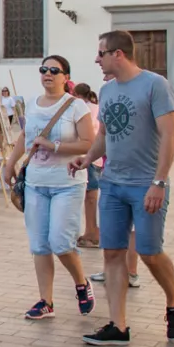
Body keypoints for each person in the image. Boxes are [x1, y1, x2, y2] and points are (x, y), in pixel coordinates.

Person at [71, 34, 174, 346]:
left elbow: (170, 135)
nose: (97, 60)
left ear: (118, 54)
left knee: (149, 251)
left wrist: (159, 182)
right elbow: (104, 134)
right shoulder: (107, 91)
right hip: (113, 183)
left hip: (146, 183)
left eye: (101, 54)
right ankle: (118, 326)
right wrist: (87, 159)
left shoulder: (155, 85)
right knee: (113, 253)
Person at [2, 55, 96, 321]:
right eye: (44, 69)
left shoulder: (77, 106)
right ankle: (46, 301)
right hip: (36, 183)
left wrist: (54, 146)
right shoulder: (32, 104)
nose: (48, 74)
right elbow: (26, 137)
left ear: (66, 77)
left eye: (55, 70)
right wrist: (10, 163)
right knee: (40, 245)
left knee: (61, 242)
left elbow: (88, 143)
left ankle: (81, 282)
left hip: (67, 183)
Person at [72, 83, 104, 251]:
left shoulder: (85, 108)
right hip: (94, 157)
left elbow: (88, 132)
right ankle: (92, 231)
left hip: (88, 156)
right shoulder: (95, 106)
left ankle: (92, 232)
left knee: (90, 196)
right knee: (91, 196)